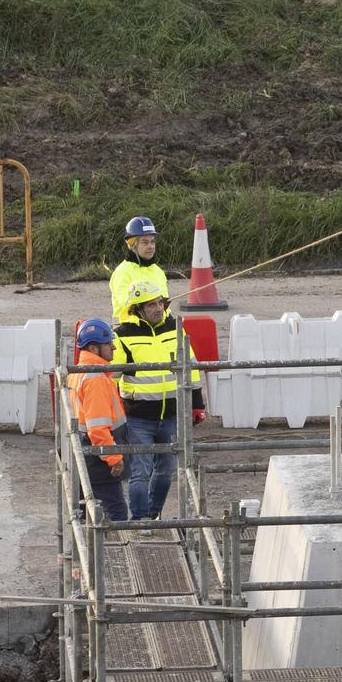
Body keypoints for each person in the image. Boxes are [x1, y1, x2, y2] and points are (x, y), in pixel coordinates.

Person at [112, 290, 204, 521]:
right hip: (138, 417)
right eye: (151, 305)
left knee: (165, 472)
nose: (158, 308)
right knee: (141, 472)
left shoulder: (175, 329)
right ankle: (140, 520)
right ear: (137, 309)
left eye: (160, 303)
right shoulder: (122, 335)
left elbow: (190, 367)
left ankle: (152, 514)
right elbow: (110, 375)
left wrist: (196, 403)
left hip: (172, 415)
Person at [65, 318, 129, 523]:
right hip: (98, 460)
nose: (113, 347)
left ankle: (86, 553)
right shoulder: (96, 379)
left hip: (83, 455)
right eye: (108, 343)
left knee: (85, 513)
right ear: (93, 347)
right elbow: (97, 428)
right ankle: (110, 554)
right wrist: (113, 458)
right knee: (115, 514)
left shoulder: (80, 373)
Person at [110, 215, 169, 326]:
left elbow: (165, 307)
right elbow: (128, 306)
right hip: (129, 332)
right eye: (145, 242)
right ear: (132, 245)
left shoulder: (158, 272)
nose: (150, 246)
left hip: (158, 330)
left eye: (152, 242)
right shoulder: (122, 272)